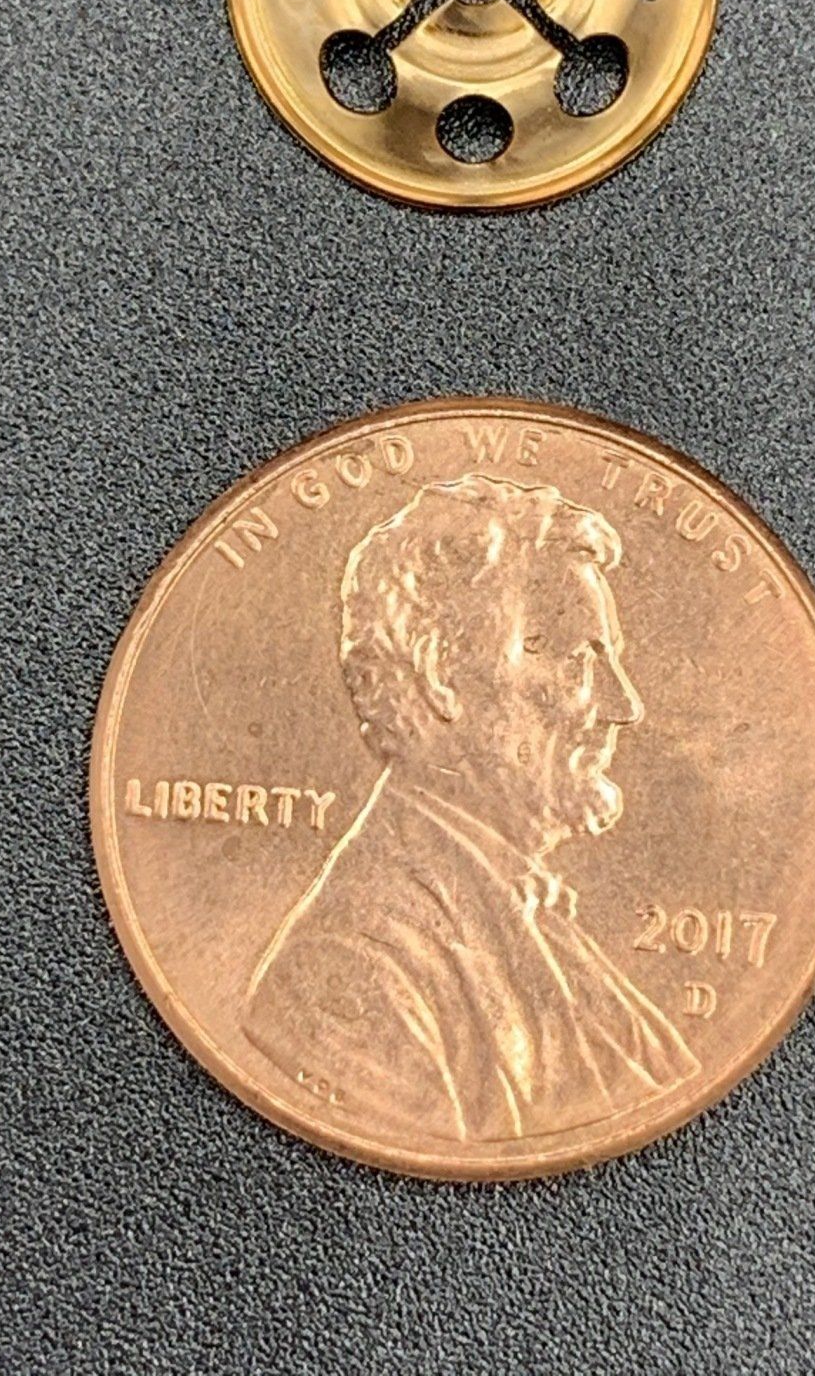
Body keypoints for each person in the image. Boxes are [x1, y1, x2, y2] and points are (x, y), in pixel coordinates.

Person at [242, 474, 697, 1143]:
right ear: (441, 674)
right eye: (577, 661)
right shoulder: (350, 969)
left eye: (609, 661)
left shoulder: (535, 920)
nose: (623, 705)